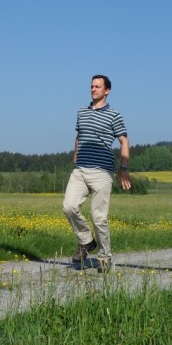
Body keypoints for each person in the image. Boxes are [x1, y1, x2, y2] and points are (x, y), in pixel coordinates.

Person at [62, 74, 131, 270]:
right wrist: (76, 157)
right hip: (80, 170)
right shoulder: (81, 112)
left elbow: (124, 141)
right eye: (92, 86)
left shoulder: (114, 115)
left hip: (102, 172)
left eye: (98, 87)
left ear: (107, 91)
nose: (93, 89)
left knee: (98, 217)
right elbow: (79, 135)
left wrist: (123, 168)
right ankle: (86, 241)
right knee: (69, 206)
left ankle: (104, 257)